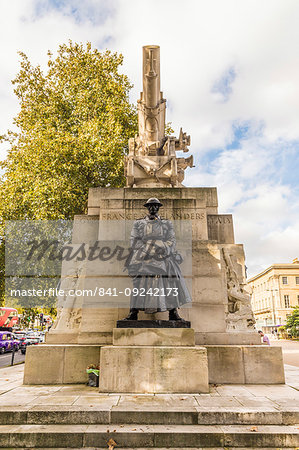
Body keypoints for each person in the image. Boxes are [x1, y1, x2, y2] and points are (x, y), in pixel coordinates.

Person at [124, 198, 191, 321]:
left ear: (159, 207)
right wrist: (148, 250)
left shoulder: (167, 223)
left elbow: (171, 240)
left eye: (155, 206)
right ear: (147, 207)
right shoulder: (138, 223)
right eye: (150, 206)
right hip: (143, 255)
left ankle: (173, 313)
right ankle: (133, 313)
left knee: (170, 282)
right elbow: (134, 241)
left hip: (163, 255)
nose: (153, 208)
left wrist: (162, 248)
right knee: (138, 285)